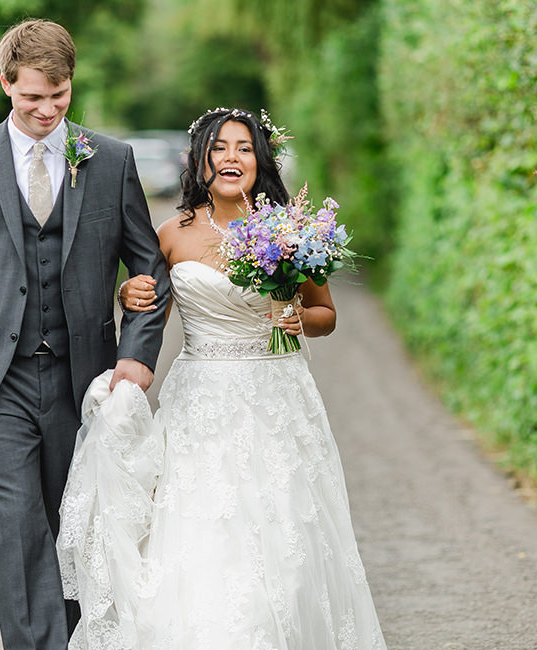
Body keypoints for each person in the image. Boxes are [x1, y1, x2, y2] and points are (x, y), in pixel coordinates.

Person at [57, 108, 387, 649]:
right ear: (201, 159)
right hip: (202, 403)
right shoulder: (172, 234)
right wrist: (127, 295)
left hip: (279, 398)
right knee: (205, 535)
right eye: (220, 148)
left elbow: (325, 314)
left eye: (244, 148)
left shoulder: (294, 229)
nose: (231, 158)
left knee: (284, 537)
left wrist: (298, 318)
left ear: (260, 159)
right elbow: (150, 314)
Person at [0, 19, 170, 650]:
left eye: (59, 97)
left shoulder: (109, 160)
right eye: (33, 97)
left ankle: (79, 639)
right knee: (20, 522)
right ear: (6, 84)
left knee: (72, 523)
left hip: (81, 379)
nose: (47, 110)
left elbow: (149, 267)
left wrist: (136, 358)